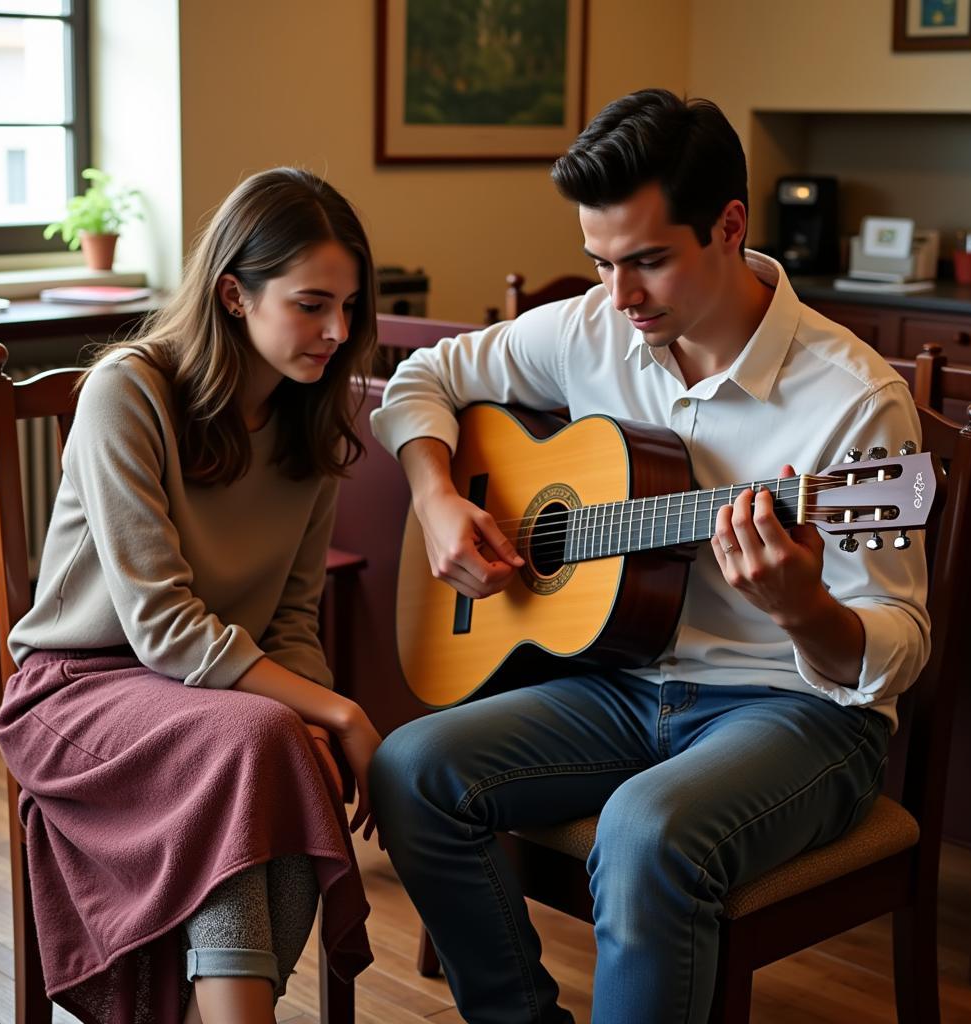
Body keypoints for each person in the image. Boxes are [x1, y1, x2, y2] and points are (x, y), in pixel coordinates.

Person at [368, 89, 930, 1023]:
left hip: (797, 713)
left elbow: (894, 651)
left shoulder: (856, 402)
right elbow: (424, 376)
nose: (619, 295)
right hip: (622, 682)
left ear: (730, 226)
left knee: (642, 830)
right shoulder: (592, 327)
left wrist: (802, 608)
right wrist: (435, 498)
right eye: (599, 262)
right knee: (409, 770)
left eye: (647, 262)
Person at [0, 167, 383, 1024]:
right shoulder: (128, 391)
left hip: (219, 702)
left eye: (350, 307)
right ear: (235, 296)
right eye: (313, 304)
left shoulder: (312, 427)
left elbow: (290, 619)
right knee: (265, 737)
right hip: (78, 689)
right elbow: (162, 625)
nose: (337, 331)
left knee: (275, 742)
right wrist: (340, 715)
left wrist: (312, 718)